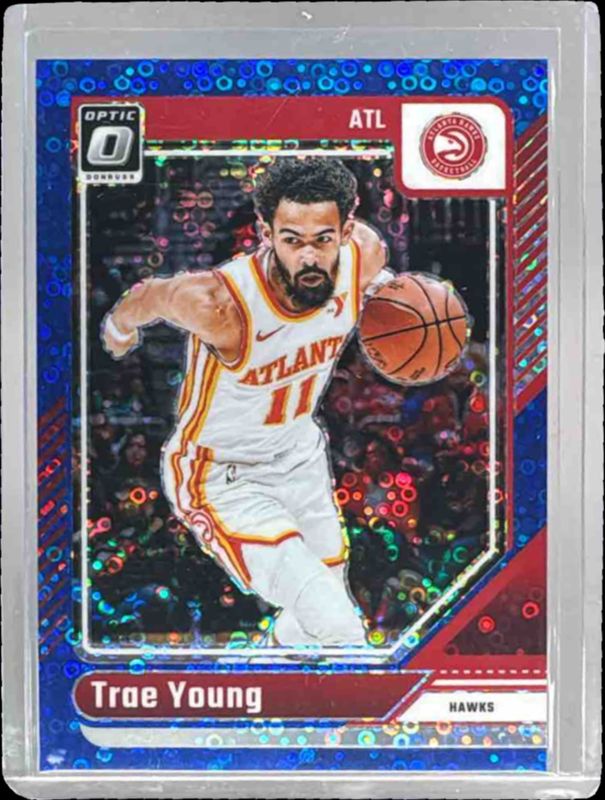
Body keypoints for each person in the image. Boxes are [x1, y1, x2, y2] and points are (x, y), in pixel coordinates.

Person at [101, 157, 393, 647]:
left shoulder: (365, 255)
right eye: (292, 240)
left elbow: (387, 292)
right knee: (337, 623)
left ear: (345, 231)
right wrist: (118, 329)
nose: (308, 257)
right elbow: (149, 296)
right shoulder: (218, 304)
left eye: (322, 239)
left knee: (319, 607)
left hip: (299, 454)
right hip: (221, 475)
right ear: (266, 233)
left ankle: (267, 663)